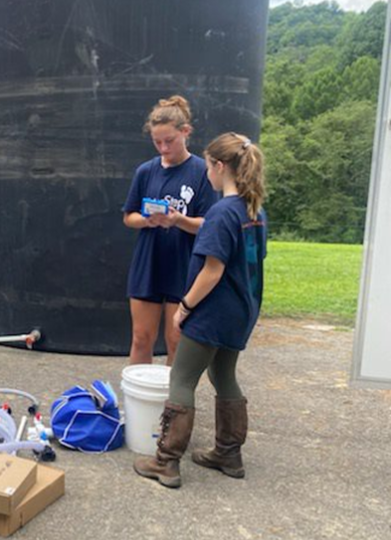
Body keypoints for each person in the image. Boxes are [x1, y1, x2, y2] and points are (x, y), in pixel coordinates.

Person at [133, 132, 268, 488]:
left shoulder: (222, 212)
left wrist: (185, 308)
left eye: (208, 165)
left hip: (213, 312)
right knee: (223, 375)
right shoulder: (254, 209)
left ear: (219, 167)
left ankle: (166, 462)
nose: (205, 172)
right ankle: (228, 453)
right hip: (243, 311)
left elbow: (213, 269)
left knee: (181, 379)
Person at [122, 96, 218, 366]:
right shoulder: (145, 172)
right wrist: (146, 221)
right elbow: (128, 217)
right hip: (148, 263)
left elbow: (209, 224)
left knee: (176, 340)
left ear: (185, 132)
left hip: (184, 264)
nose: (163, 148)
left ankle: (174, 406)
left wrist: (178, 220)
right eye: (157, 142)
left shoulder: (202, 172)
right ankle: (138, 404)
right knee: (141, 337)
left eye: (169, 141)